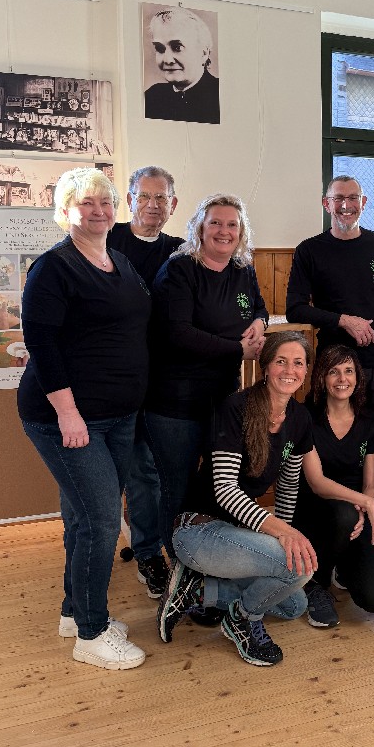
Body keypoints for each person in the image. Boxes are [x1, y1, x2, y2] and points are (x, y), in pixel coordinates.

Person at [156, 332, 374, 666]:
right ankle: (240, 619)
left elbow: (288, 487)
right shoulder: (235, 408)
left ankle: (198, 590)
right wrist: (284, 533)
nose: (289, 370)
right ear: (265, 366)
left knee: (294, 604)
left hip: (240, 535)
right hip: (199, 530)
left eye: (298, 363)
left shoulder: (298, 419)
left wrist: (285, 533)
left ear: (306, 371)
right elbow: (224, 489)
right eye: (281, 361)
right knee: (298, 566)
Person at [17, 167, 151, 670]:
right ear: (66, 211)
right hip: (67, 419)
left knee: (80, 516)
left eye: (105, 202)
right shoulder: (53, 268)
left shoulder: (119, 260)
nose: (99, 210)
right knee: (101, 520)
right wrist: (69, 413)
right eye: (86, 202)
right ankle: (92, 635)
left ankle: (75, 613)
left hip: (118, 415)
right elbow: (42, 344)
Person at [144, 193, 267, 559]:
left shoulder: (243, 269)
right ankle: (177, 569)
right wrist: (238, 350)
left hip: (224, 399)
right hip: (176, 404)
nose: (224, 231)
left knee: (218, 486)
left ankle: (210, 563)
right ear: (200, 227)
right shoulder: (180, 269)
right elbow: (178, 334)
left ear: (241, 231)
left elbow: (258, 306)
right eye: (215, 222)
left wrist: (260, 322)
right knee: (178, 490)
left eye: (232, 224)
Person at [286, 175, 374, 500]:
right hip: (333, 361)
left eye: (353, 198)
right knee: (327, 438)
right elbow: (294, 308)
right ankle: (329, 514)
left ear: (364, 203)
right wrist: (343, 320)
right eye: (338, 199)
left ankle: (373, 516)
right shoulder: (309, 250)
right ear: (326, 204)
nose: (346, 206)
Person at [106, 166, 182, 599]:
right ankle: (143, 548)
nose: (153, 205)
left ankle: (153, 551)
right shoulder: (106, 238)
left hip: (163, 379)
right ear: (129, 199)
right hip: (112, 377)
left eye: (161, 197)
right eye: (144, 196)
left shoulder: (180, 250)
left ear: (173, 204)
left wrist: (258, 318)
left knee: (149, 470)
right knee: (124, 471)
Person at [293, 345, 374, 628]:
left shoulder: (370, 419)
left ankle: (342, 563)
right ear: (322, 378)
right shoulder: (306, 417)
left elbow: (371, 484)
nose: (342, 379)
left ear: (357, 377)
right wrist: (366, 504)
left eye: (348, 371)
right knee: (344, 515)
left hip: (354, 513)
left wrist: (364, 508)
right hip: (315, 510)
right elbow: (318, 483)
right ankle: (314, 582)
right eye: (333, 372)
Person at [144, 7, 220, 124]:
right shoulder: (152, 97)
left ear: (203, 53)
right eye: (159, 48)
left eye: (177, 47)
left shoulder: (221, 94)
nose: (167, 60)